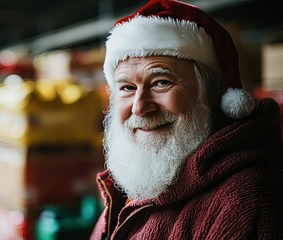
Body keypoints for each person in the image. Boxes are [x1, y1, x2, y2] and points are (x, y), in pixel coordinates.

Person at [90, 0, 283, 239]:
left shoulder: (245, 200)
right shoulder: (131, 186)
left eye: (161, 82)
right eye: (127, 88)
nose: (140, 107)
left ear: (214, 93)